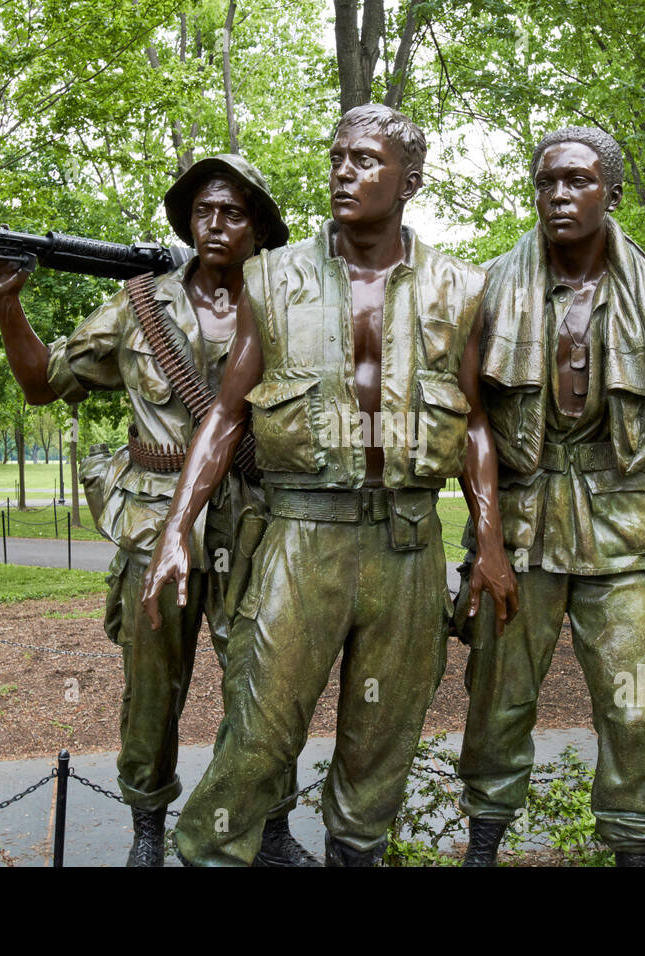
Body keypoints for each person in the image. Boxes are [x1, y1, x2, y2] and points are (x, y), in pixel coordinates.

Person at [143, 104, 519, 866]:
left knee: (380, 754)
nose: (344, 173)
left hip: (409, 543)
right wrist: (177, 530)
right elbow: (224, 415)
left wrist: (490, 543)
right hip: (301, 536)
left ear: (410, 181)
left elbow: (477, 421)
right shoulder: (273, 277)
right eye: (338, 158)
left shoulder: (460, 286)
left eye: (366, 162)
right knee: (258, 734)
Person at [0, 154, 314, 867]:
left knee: (264, 681)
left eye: (232, 212)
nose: (215, 224)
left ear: (259, 227)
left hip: (256, 520)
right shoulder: (139, 305)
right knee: (152, 685)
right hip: (155, 522)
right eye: (202, 212)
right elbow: (42, 383)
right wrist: (8, 303)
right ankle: (147, 829)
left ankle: (272, 829)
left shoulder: (287, 307)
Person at [454, 126, 645, 867]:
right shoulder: (488, 285)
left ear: (612, 194)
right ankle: (480, 851)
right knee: (497, 706)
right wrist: (486, 545)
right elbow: (471, 422)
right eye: (546, 182)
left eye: (577, 182)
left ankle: (636, 850)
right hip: (521, 527)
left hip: (621, 525)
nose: (558, 195)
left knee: (634, 706)